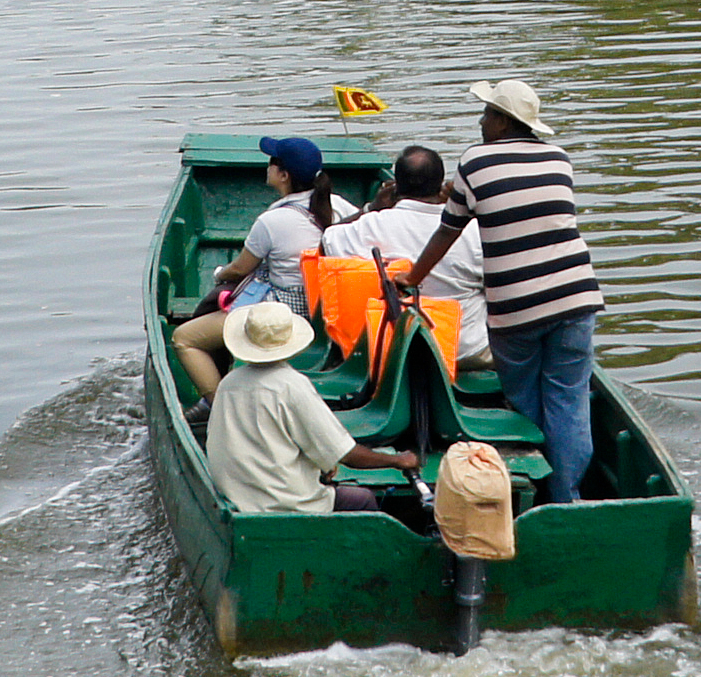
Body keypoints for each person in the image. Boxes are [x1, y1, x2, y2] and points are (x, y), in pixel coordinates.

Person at [393, 79, 604, 505]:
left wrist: (412, 279)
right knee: (569, 400)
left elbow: (446, 234)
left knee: (526, 401)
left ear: (505, 122)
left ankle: (537, 486)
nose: (481, 120)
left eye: (488, 113)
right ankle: (567, 497)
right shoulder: (559, 159)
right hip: (577, 298)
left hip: (517, 310)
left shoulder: (475, 162)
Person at [204, 300, 417, 511]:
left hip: (236, 496)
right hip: (281, 504)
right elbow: (347, 455)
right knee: (362, 500)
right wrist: (398, 460)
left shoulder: (227, 383)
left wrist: (322, 465)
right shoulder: (292, 386)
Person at [173, 139, 340, 393]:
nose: (267, 167)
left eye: (271, 162)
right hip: (326, 307)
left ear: (283, 175)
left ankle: (216, 403)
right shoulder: (338, 205)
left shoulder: (272, 221)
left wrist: (220, 274)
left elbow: (240, 268)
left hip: (284, 310)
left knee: (184, 339)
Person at [321, 145, 492, 374]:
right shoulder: (473, 231)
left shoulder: (372, 225)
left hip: (396, 350)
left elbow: (326, 242)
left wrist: (371, 208)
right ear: (442, 183)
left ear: (395, 186)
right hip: (465, 352)